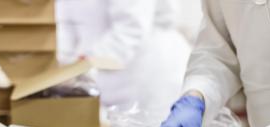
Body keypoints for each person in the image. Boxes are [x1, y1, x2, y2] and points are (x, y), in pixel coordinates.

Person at [55, 0, 191, 111]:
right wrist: (61, 63)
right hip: (105, 79)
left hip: (149, 74)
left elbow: (131, 29)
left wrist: (80, 65)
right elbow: (65, 26)